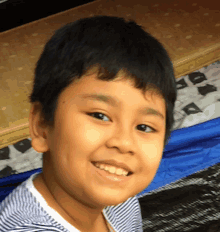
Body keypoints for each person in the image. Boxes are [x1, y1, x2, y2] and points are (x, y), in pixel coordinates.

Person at [0, 16, 177, 231]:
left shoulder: (122, 202)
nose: (124, 143)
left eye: (144, 127)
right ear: (41, 125)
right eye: (100, 115)